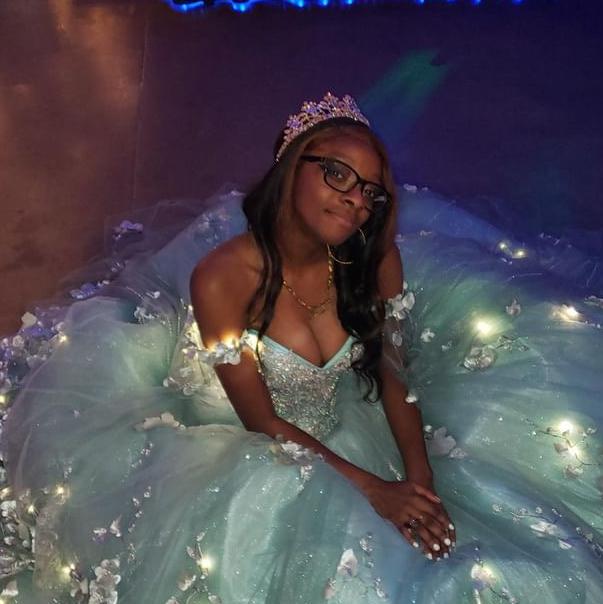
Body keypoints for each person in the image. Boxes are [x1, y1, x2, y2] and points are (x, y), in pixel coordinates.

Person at [0, 92, 602, 604]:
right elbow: (260, 419)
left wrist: (421, 484)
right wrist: (375, 489)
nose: (355, 199)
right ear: (292, 167)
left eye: (369, 192)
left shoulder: (373, 261)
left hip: (343, 422)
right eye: (337, 173)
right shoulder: (222, 279)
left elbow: (393, 375)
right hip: (249, 440)